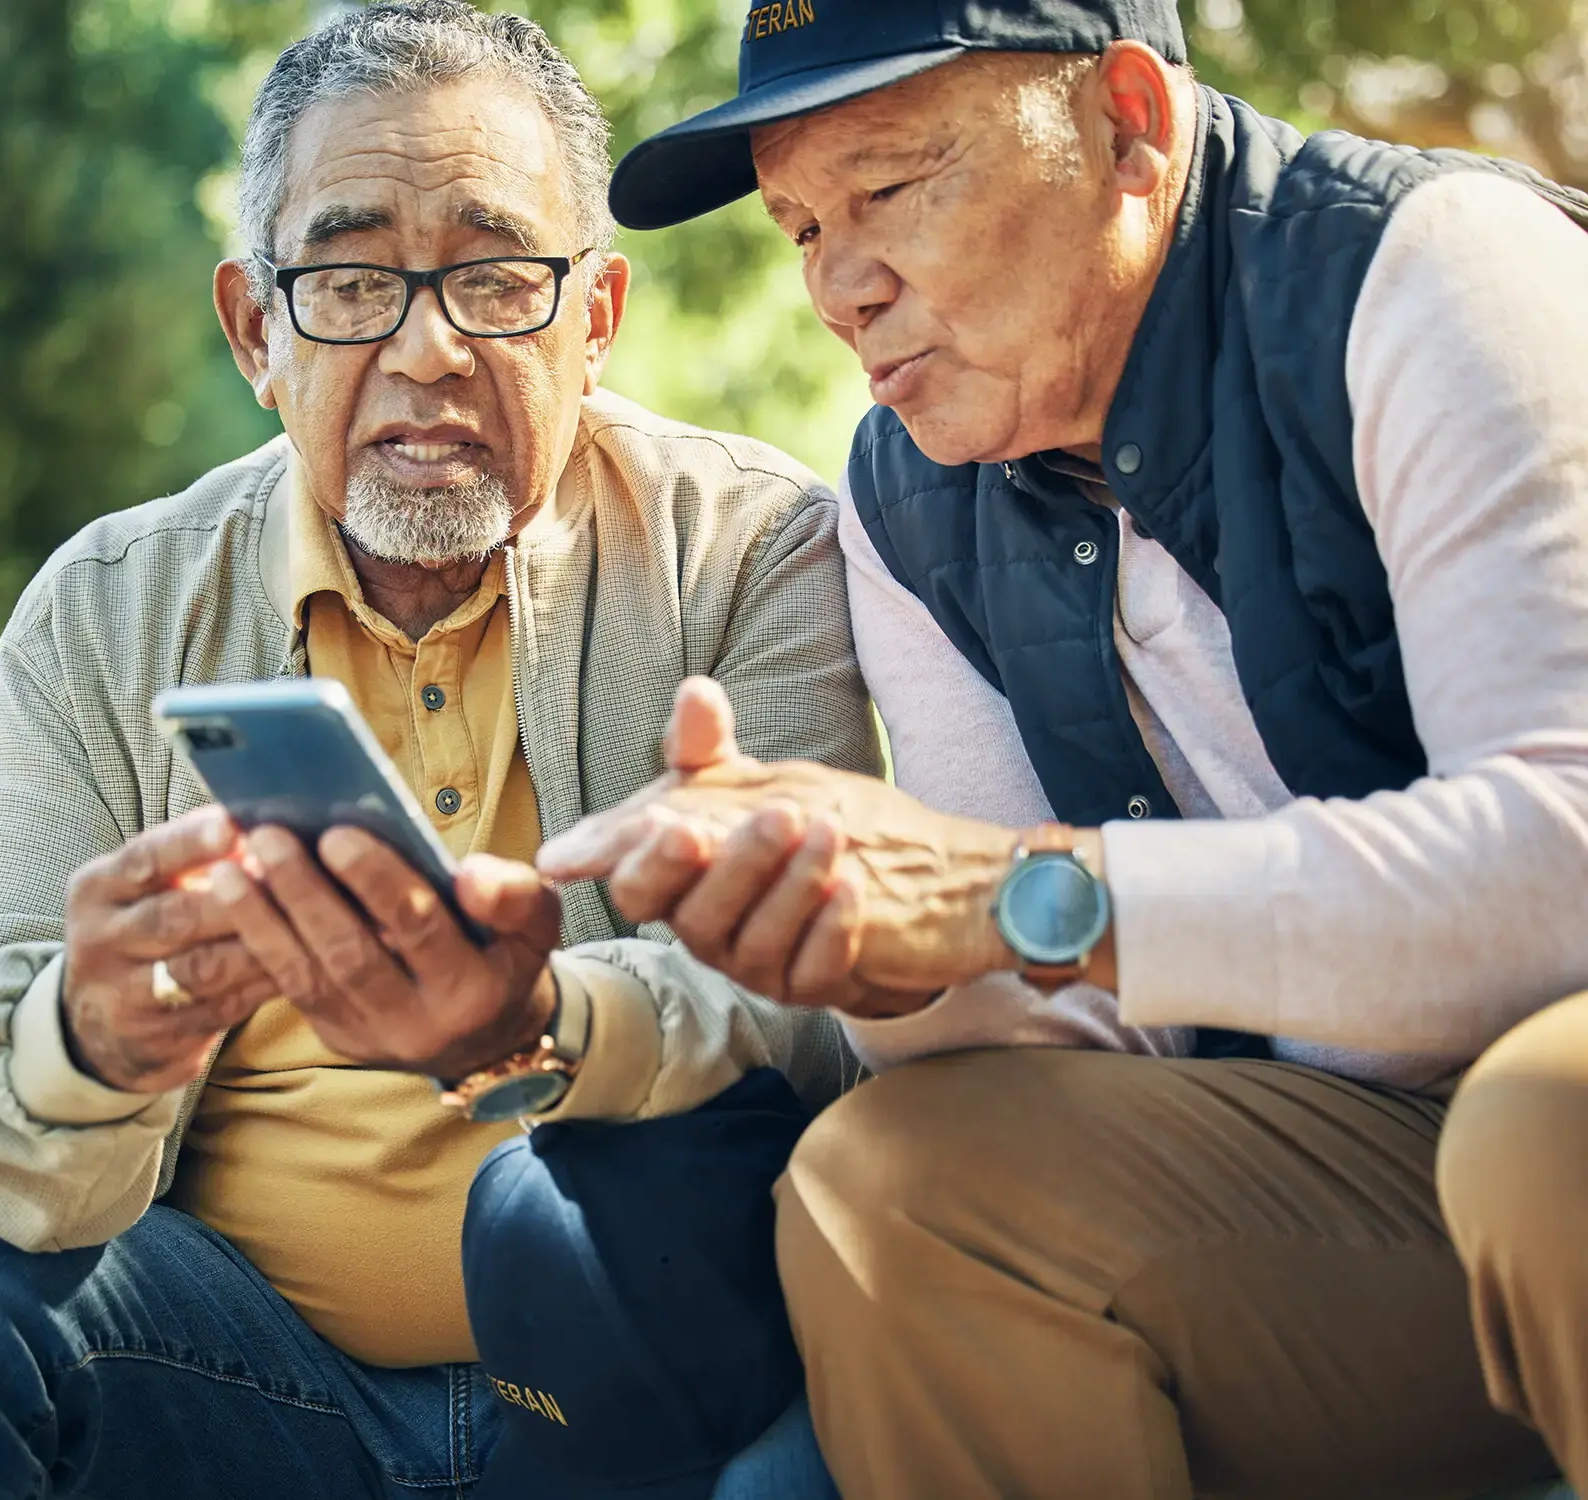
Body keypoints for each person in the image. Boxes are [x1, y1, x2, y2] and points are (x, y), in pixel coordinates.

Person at [539, 1, 1588, 1495]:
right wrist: (883, 965)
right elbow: (1085, 1025)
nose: (841, 286)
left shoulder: (1434, 276)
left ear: (1131, 122)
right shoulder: (910, 510)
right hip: (1379, 1178)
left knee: (1543, 1123)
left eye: (891, 188)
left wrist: (1031, 894)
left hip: (1557, 1119)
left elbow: (1565, 873)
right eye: (799, 227)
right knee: (890, 1183)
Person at [0, 4, 878, 1497]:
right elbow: (10, 1136)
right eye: (347, 279)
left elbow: (816, 1005)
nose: (426, 348)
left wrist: (541, 1017)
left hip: (645, 1351)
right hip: (234, 1366)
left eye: (495, 275)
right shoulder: (103, 608)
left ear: (594, 318)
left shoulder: (747, 547)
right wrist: (92, 1043)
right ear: (255, 329)